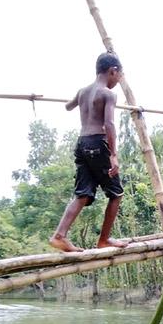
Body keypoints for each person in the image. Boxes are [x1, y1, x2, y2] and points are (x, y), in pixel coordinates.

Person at [49, 52, 128, 252]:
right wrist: (113, 155)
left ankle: (59, 235)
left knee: (83, 194)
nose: (118, 81)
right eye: (118, 77)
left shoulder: (83, 91)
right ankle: (104, 239)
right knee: (116, 193)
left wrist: (79, 101)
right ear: (113, 71)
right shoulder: (108, 94)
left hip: (82, 144)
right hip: (98, 143)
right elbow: (109, 124)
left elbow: (68, 106)